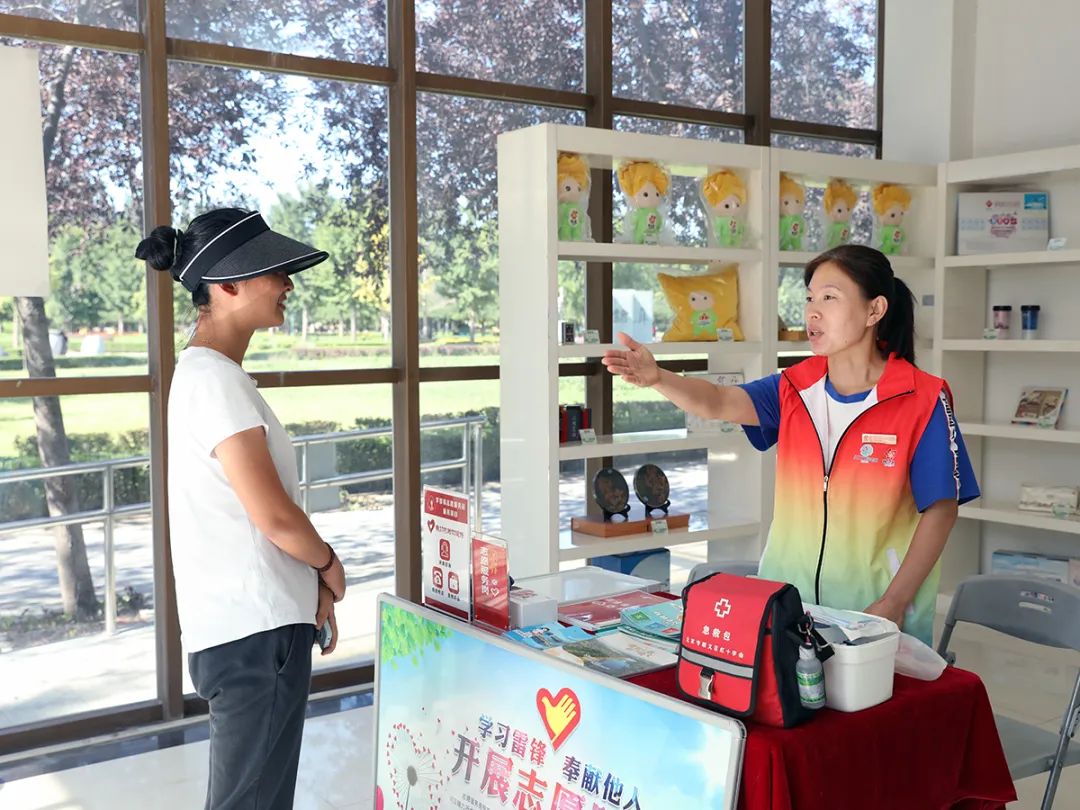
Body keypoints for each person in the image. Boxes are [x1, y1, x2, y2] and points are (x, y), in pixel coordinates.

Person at [603, 245, 978, 646]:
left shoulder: (922, 398)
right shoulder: (794, 387)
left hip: (873, 613)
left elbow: (941, 510)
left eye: (830, 298)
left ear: (875, 310)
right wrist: (658, 378)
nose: (813, 312)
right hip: (789, 607)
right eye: (810, 298)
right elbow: (717, 401)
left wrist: (894, 601)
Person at [135, 208, 347, 809]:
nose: (288, 284)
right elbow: (272, 515)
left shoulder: (206, 374)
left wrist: (308, 589)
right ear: (226, 285)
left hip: (246, 627)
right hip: (256, 633)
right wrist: (329, 566)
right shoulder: (217, 382)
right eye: (274, 272)